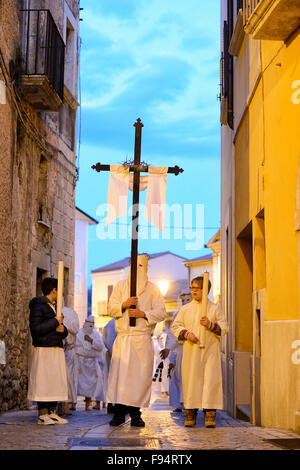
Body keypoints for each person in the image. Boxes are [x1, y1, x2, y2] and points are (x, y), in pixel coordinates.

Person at [106, 254, 167, 427]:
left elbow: (162, 312)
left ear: (146, 268)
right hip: (124, 339)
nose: (139, 270)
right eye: (136, 266)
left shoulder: (153, 289)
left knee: (138, 379)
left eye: (142, 267)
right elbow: (110, 308)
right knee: (121, 378)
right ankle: (118, 413)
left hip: (141, 340)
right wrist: (124, 304)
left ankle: (135, 414)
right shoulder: (120, 286)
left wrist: (143, 314)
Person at [171, 276, 229, 428]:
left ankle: (210, 415)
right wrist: (187, 334)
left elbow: (224, 327)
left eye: (197, 288)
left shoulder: (214, 308)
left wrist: (211, 325)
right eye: (192, 288)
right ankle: (191, 414)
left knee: (210, 381)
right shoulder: (185, 309)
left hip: (210, 352)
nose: (193, 291)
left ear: (205, 290)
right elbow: (175, 327)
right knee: (192, 382)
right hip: (192, 352)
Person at [27, 277, 69, 425]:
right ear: (54, 290)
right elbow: (36, 329)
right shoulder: (39, 306)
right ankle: (42, 414)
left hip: (55, 348)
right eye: (60, 289)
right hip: (44, 350)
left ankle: (52, 412)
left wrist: (63, 329)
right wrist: (55, 322)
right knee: (44, 382)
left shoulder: (55, 307)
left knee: (54, 381)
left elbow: (61, 330)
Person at [161, 290, 192, 413]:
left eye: (187, 300)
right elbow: (172, 334)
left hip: (191, 349)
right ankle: (179, 404)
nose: (185, 303)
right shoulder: (178, 314)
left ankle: (189, 406)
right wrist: (169, 349)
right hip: (179, 350)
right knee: (177, 377)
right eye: (183, 300)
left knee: (188, 378)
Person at [75, 315, 105, 410]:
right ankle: (76, 403)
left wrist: (91, 341)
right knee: (80, 383)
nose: (90, 327)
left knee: (94, 383)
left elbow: (100, 346)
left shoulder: (95, 334)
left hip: (91, 362)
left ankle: (96, 403)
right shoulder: (79, 333)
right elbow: (76, 344)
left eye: (92, 325)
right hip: (81, 362)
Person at [59, 305, 80, 415]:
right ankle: (58, 405)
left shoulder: (70, 313)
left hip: (68, 351)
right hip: (57, 349)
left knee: (67, 378)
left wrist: (64, 322)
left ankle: (66, 405)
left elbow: (75, 328)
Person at [102, 317, 117, 414]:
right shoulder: (113, 324)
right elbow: (110, 342)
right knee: (113, 382)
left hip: (116, 356)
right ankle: (113, 406)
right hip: (115, 357)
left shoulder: (110, 323)